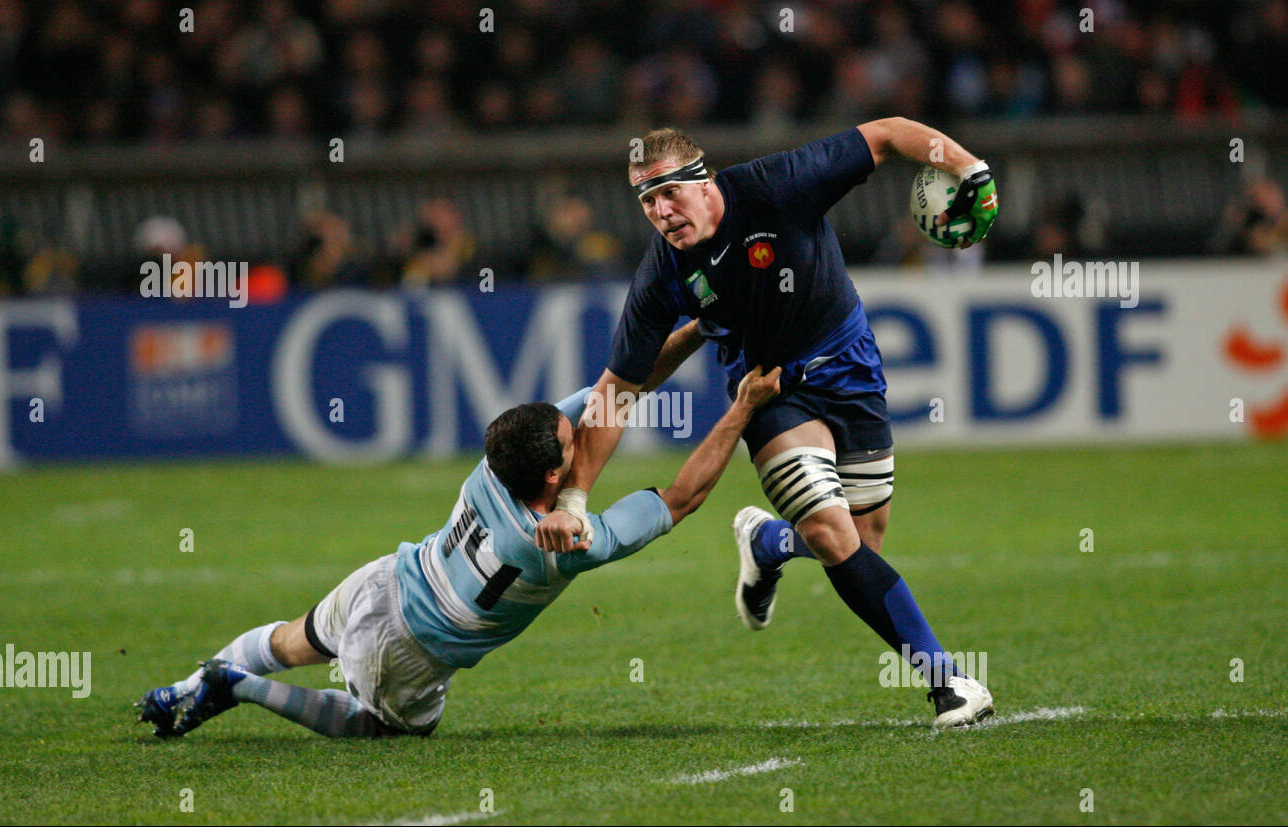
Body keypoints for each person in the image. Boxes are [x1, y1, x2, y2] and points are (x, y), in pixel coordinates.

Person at [534, 120, 1000, 728]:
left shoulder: (777, 185)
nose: (661, 213)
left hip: (851, 367)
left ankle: (768, 543)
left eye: (669, 193)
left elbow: (886, 135)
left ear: (703, 181)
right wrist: (573, 497)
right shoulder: (662, 272)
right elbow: (617, 390)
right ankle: (949, 682)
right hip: (770, 390)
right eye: (647, 202)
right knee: (837, 539)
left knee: (865, 541)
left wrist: (968, 167)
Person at [135, 366, 781, 739]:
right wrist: (742, 410)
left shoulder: (497, 461)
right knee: (382, 732)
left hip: (385, 578)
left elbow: (613, 389)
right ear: (555, 475)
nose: (576, 426)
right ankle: (238, 689)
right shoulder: (567, 548)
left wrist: (696, 326)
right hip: (408, 648)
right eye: (569, 438)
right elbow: (682, 497)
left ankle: (181, 686)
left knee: (291, 639)